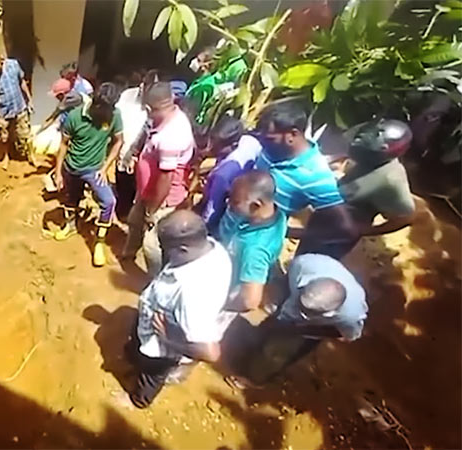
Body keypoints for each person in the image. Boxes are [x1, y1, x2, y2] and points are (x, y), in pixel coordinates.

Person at [128, 210, 232, 408]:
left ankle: (140, 400)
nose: (163, 252)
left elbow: (210, 353)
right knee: (137, 356)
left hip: (160, 349)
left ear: (183, 249)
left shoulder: (192, 293)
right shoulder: (211, 247)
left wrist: (170, 339)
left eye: (164, 248)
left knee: (151, 376)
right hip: (152, 323)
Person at [233, 253, 367, 386]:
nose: (302, 313)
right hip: (290, 294)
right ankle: (252, 346)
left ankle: (253, 378)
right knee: (270, 323)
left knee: (278, 351)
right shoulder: (302, 265)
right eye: (302, 305)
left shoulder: (351, 316)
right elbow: (284, 279)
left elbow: (345, 336)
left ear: (332, 313)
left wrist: (305, 330)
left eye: (310, 312)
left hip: (311, 328)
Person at [254, 102, 358, 259]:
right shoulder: (273, 148)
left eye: (269, 138)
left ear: (292, 135)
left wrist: (286, 232)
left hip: (258, 246)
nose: (262, 141)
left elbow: (346, 229)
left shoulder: (315, 176)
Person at [121, 82, 195, 275]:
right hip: (148, 191)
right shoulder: (165, 118)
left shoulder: (172, 134)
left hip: (162, 198)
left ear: (148, 108)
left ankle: (157, 278)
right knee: (134, 221)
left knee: (152, 243)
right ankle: (128, 253)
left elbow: (166, 179)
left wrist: (152, 210)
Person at [54, 82, 123, 267]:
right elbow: (63, 145)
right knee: (71, 199)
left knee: (109, 202)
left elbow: (118, 141)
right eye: (103, 108)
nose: (106, 112)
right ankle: (70, 225)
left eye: (110, 108)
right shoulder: (75, 116)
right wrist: (58, 172)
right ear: (94, 102)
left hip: (95, 170)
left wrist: (105, 167)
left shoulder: (115, 115)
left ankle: (99, 241)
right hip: (72, 167)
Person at [219, 171, 287, 313]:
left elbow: (250, 301)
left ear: (256, 205)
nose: (228, 204)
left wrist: (221, 305)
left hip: (232, 279)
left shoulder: (254, 252)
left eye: (235, 201)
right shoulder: (274, 212)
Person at [338, 119, 416, 244]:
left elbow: (405, 218)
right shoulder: (366, 160)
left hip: (338, 230)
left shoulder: (391, 180)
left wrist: (363, 230)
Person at [198, 117, 263, 236]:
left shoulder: (222, 175)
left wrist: (203, 228)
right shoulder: (250, 141)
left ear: (234, 145)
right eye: (212, 140)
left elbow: (212, 210)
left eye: (217, 146)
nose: (211, 147)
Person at [114, 70, 158, 219]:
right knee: (121, 180)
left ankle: (130, 214)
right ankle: (121, 211)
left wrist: (135, 153)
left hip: (140, 153)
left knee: (136, 185)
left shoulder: (156, 105)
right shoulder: (128, 95)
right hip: (123, 146)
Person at [0, 52, 35, 168]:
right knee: (4, 138)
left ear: (1, 62)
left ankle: (31, 156)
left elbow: (22, 82)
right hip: (3, 111)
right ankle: (6, 158)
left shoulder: (13, 65)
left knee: (26, 135)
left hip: (19, 107)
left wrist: (29, 99)